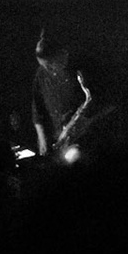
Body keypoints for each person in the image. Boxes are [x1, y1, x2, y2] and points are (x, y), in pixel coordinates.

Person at [31, 29, 97, 164]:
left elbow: (98, 104)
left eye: (49, 65)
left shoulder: (79, 70)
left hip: (79, 140)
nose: (47, 70)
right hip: (55, 139)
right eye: (43, 66)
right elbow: (37, 109)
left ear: (59, 55)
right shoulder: (41, 73)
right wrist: (42, 137)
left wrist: (77, 125)